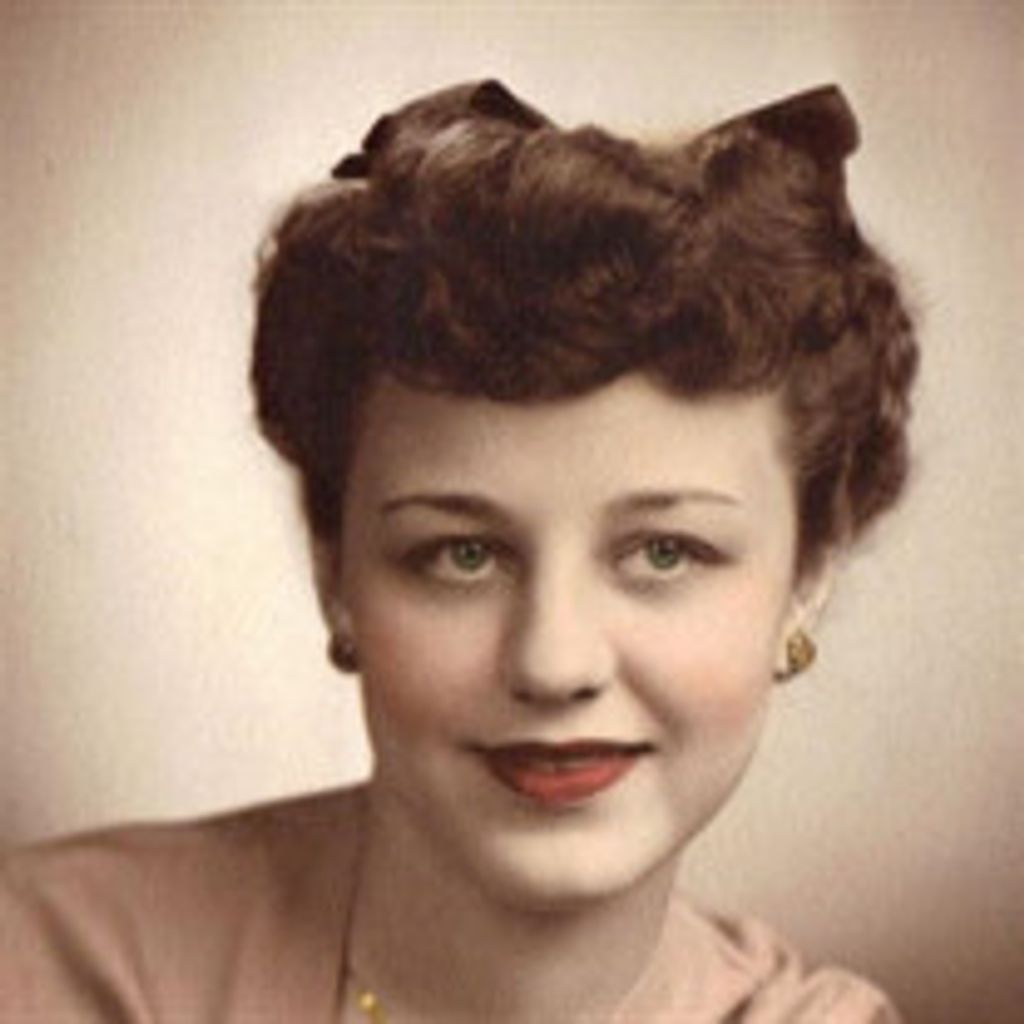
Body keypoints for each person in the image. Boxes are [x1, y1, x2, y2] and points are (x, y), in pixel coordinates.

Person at [1, 80, 918, 1022]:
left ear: (807, 576)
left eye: (663, 553)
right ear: (333, 568)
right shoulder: (46, 970)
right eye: (463, 556)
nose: (553, 663)